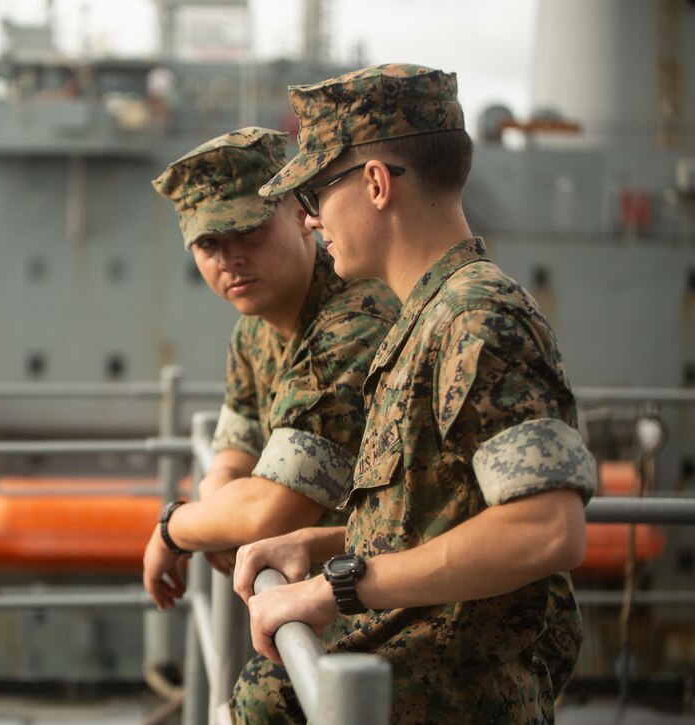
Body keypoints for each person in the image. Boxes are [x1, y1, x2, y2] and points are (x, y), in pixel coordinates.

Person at [231, 64, 597, 724]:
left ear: (374, 184)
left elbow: (547, 529)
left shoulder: (478, 320)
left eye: (315, 195)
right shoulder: (430, 318)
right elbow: (441, 516)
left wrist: (339, 585)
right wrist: (318, 548)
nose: (310, 221)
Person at [144, 127, 399, 618]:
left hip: (407, 604)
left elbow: (273, 512)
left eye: (249, 231)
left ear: (303, 215)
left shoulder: (352, 324)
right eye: (209, 243)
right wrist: (224, 521)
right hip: (345, 587)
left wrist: (174, 528)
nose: (230, 259)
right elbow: (231, 460)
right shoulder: (253, 332)